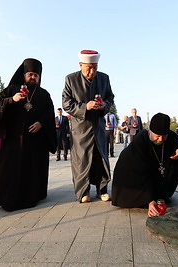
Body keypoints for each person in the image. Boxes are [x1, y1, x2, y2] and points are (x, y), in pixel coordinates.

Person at [0, 58, 56, 211]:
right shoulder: (12, 89)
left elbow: (49, 113)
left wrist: (40, 123)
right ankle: (8, 197)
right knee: (12, 168)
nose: (33, 77)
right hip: (13, 139)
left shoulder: (44, 94)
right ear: (24, 75)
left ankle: (33, 195)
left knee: (33, 168)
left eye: (36, 75)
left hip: (36, 140)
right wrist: (12, 99)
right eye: (30, 74)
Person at [62, 50, 114, 203]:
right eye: (88, 68)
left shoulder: (104, 78)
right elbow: (66, 104)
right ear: (81, 65)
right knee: (82, 161)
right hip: (80, 128)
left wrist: (104, 106)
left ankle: (102, 189)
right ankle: (83, 192)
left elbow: (110, 97)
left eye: (95, 67)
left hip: (98, 126)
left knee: (100, 159)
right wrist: (85, 107)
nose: (92, 71)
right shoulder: (71, 79)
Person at [112, 113, 178, 217]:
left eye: (164, 136)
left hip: (160, 180)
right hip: (138, 181)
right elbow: (139, 172)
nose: (161, 139)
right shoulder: (140, 141)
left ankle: (163, 194)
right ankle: (147, 197)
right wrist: (149, 200)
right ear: (150, 131)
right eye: (157, 136)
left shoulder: (171, 136)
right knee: (132, 170)